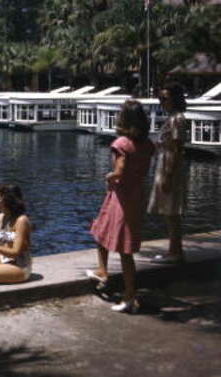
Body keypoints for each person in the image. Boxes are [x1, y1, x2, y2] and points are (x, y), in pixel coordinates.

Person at [87, 99, 156, 313]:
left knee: (124, 249)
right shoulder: (147, 144)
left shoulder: (121, 143)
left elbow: (120, 170)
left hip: (121, 198)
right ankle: (103, 271)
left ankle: (129, 297)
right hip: (136, 195)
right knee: (101, 231)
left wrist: (109, 176)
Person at [148, 83, 189, 264]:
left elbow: (176, 149)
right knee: (169, 212)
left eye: (164, 99)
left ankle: (175, 253)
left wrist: (168, 175)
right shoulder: (173, 118)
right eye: (160, 99)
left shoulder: (176, 119)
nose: (161, 102)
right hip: (166, 164)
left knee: (171, 212)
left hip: (169, 167)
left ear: (175, 99)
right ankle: (174, 250)